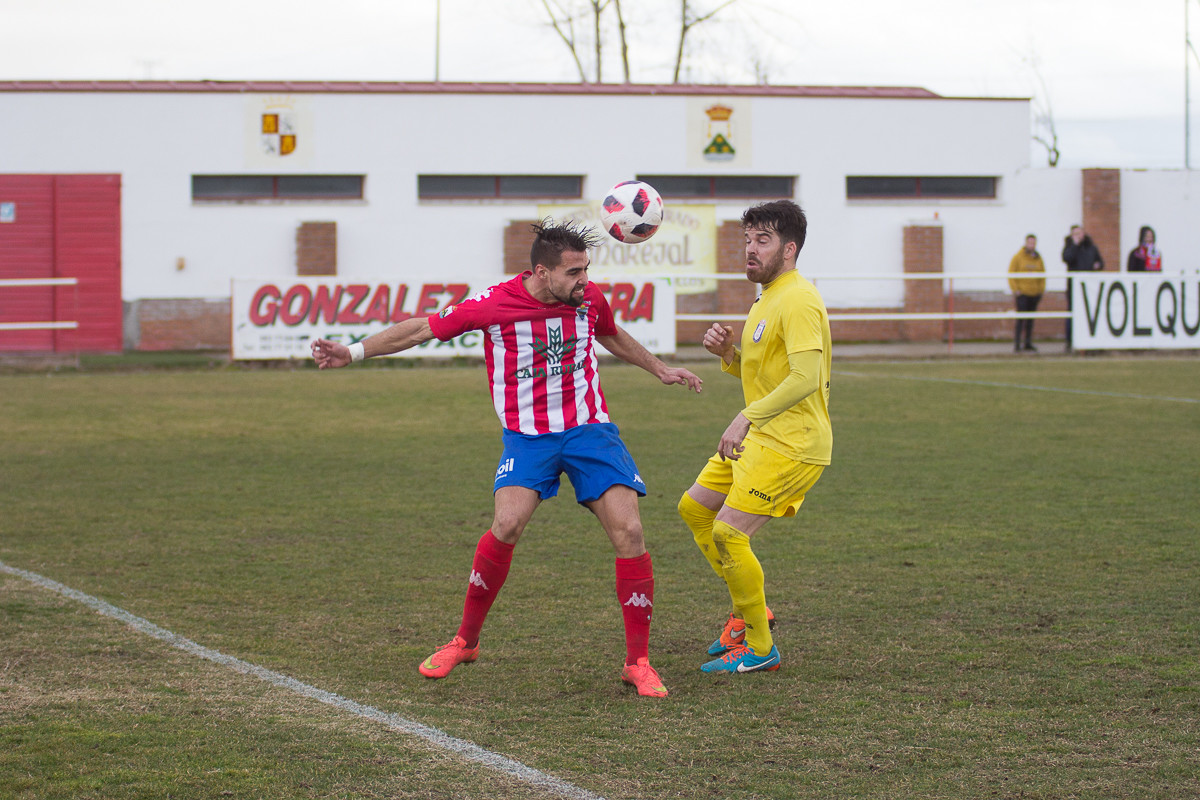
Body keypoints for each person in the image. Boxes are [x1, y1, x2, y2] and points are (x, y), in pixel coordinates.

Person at [310, 220, 703, 698]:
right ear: (541, 271)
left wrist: (660, 369)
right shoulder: (494, 303)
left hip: (589, 431)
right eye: (574, 272)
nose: (585, 280)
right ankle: (466, 641)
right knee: (507, 525)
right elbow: (420, 329)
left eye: (586, 269)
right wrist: (352, 352)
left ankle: (637, 662)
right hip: (528, 437)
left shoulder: (587, 298)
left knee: (631, 530)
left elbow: (611, 333)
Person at [676, 199, 831, 675]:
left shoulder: (799, 299)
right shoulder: (768, 296)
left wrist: (744, 417)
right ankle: (749, 612)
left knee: (728, 531)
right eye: (747, 240)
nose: (750, 249)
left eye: (762, 240)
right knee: (695, 509)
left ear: (789, 248)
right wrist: (729, 354)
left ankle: (761, 648)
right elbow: (768, 374)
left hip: (792, 443)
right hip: (763, 433)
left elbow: (805, 377)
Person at [1061, 225, 1104, 351]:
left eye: (1080, 233)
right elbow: (1066, 258)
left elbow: (1100, 262)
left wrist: (1098, 265)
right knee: (1072, 314)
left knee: (1090, 314)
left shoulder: (1091, 247)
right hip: (1073, 288)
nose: (1078, 236)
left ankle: (1090, 341)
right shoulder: (1069, 247)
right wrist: (1074, 245)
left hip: (1089, 288)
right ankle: (1070, 341)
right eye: (1075, 234)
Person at [1008, 234, 1046, 352]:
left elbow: (1042, 275)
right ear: (1026, 243)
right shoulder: (1018, 257)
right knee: (1021, 319)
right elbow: (1011, 274)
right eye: (1030, 243)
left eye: (1033, 243)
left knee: (1030, 320)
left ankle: (1028, 343)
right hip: (1022, 294)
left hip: (1034, 294)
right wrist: (1016, 289)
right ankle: (1017, 344)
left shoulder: (1038, 258)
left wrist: (1040, 290)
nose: (1032, 245)